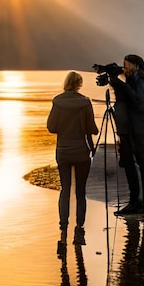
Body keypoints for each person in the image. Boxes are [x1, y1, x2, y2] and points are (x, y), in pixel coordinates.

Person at [47, 71, 98, 247]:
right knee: (81, 192)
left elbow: (51, 127)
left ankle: (63, 228)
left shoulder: (58, 102)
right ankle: (79, 229)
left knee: (65, 189)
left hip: (63, 151)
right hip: (82, 151)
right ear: (79, 84)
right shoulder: (85, 102)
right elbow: (91, 128)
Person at [108, 54, 144, 215]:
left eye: (127, 65)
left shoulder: (143, 82)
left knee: (142, 162)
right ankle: (135, 202)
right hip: (129, 129)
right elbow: (126, 101)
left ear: (136, 65)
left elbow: (141, 104)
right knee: (129, 162)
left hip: (140, 128)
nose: (124, 68)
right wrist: (115, 84)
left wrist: (121, 85)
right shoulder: (133, 81)